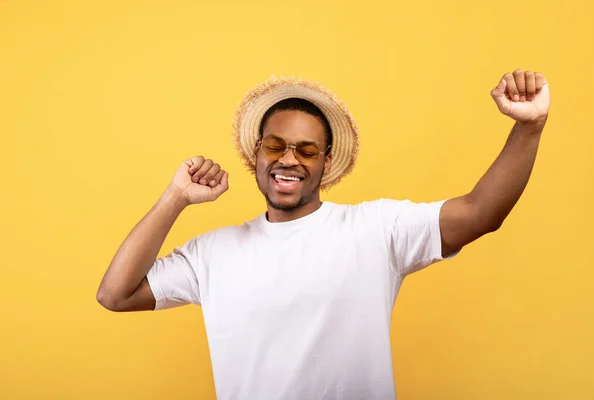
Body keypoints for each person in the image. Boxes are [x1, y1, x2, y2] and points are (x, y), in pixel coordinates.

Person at [97, 71, 550, 400]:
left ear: (325, 161)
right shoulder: (212, 253)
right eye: (275, 145)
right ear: (257, 152)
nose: (289, 159)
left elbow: (480, 213)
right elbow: (115, 294)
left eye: (306, 149)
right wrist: (176, 196)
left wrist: (528, 126)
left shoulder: (375, 230)